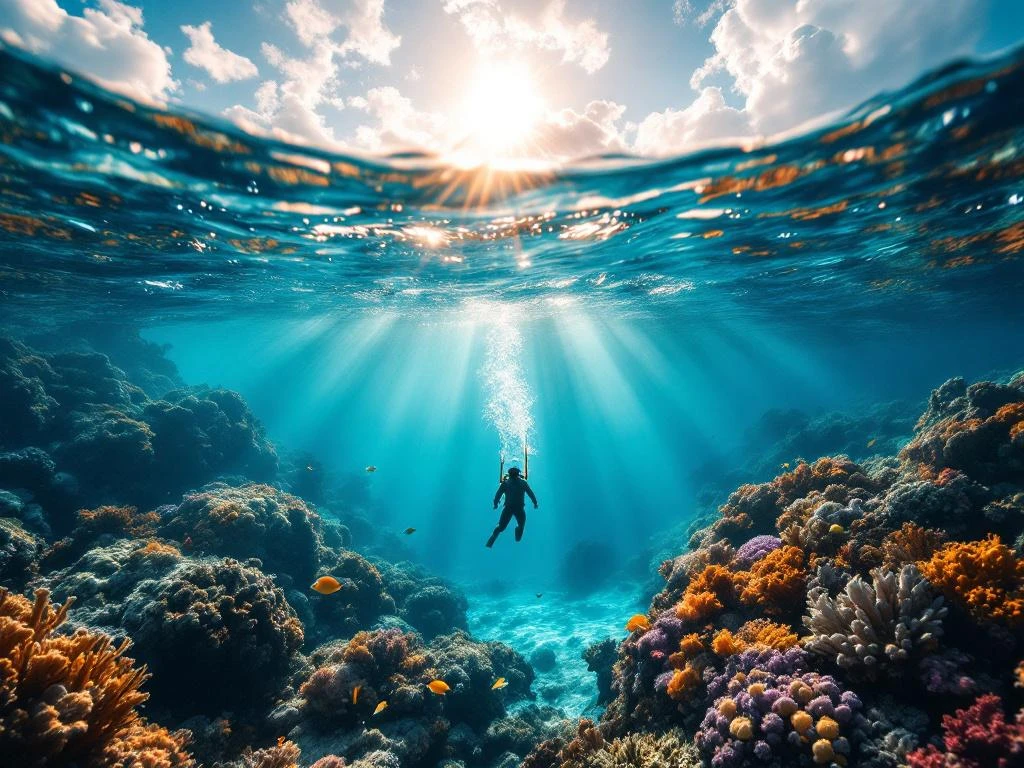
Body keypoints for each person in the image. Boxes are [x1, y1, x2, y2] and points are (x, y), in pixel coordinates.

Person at [486, 465, 538, 547]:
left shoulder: (508, 483)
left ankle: (492, 540)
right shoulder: (518, 483)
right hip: (514, 508)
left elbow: (497, 496)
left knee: (504, 527)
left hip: (513, 508)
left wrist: (496, 504)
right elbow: (531, 494)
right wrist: (535, 503)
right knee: (503, 527)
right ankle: (492, 539)